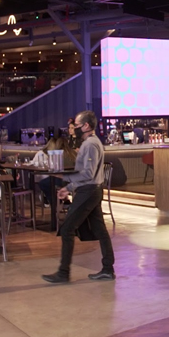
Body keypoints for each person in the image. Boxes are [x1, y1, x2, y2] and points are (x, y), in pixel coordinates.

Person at [42, 110, 115, 283]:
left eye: (76, 125)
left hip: (88, 191)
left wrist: (65, 179)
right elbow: (87, 174)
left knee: (67, 228)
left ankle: (63, 272)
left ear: (86, 126)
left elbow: (88, 174)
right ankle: (107, 268)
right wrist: (68, 187)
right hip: (93, 190)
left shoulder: (90, 145)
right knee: (100, 229)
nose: (73, 128)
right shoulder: (93, 143)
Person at [33, 135, 76, 206]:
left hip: (63, 179)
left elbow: (54, 168)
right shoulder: (74, 153)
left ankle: (55, 204)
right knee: (48, 181)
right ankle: (63, 201)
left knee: (43, 183)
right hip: (74, 179)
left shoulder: (58, 155)